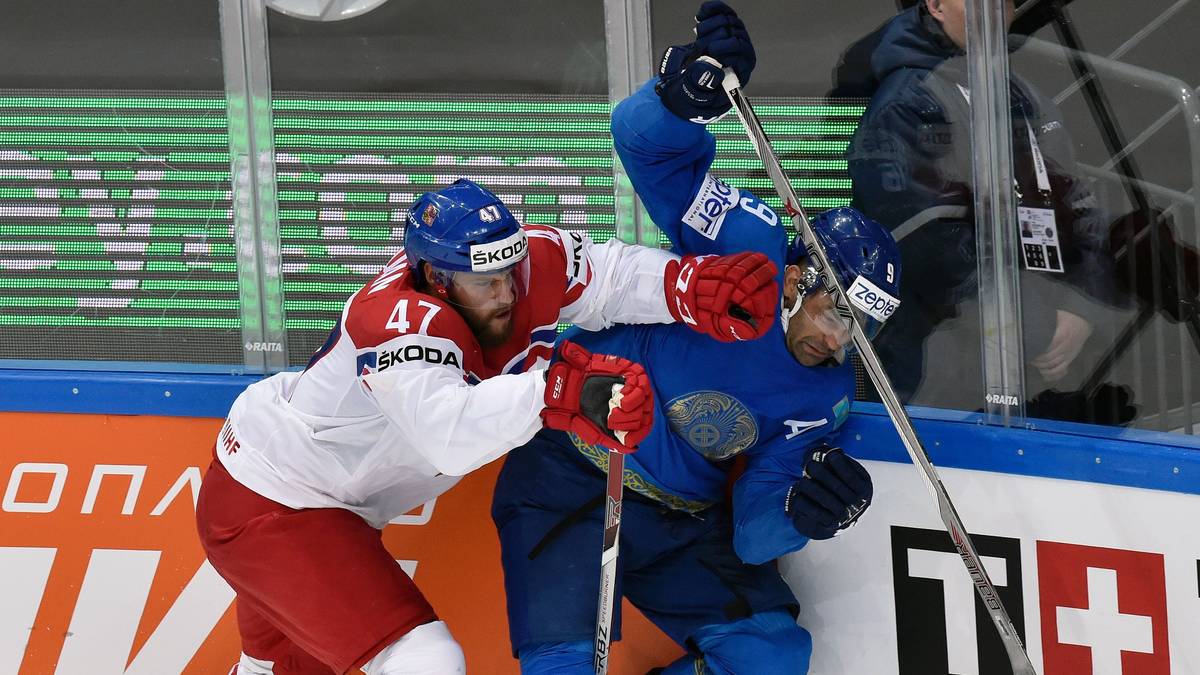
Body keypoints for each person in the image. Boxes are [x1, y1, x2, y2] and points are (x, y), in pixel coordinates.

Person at [195, 177, 780, 675]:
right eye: (485, 282)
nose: (506, 293)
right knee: (424, 661)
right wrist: (560, 392)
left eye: (510, 271)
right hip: (273, 503)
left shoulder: (519, 267)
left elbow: (606, 276)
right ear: (434, 277)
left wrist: (684, 287)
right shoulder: (396, 322)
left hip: (334, 507)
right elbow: (447, 433)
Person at [490, 4, 898, 673]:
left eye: (863, 331)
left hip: (679, 523)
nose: (839, 342)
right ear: (799, 276)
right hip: (571, 472)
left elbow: (754, 528)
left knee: (772, 655)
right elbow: (642, 143)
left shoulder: (824, 397)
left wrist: (802, 512)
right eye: (838, 313)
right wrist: (682, 100)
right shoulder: (750, 247)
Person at [845, 0, 1131, 421]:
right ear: (937, 5)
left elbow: (1078, 207)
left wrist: (1082, 309)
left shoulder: (1020, 95)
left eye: (1007, 2)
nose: (996, 10)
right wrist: (1037, 327)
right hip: (936, 367)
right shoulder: (905, 103)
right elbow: (923, 241)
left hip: (1031, 361)